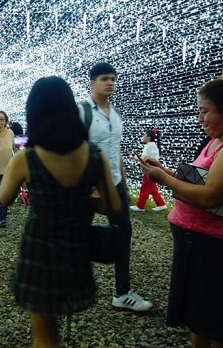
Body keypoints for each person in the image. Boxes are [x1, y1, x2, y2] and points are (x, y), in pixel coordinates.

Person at [138, 76, 223, 348]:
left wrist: (164, 179)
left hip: (217, 247)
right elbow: (200, 180)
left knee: (219, 328)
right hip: (197, 242)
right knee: (200, 320)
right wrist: (167, 171)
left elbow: (209, 196)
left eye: (204, 111)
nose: (200, 118)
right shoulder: (218, 140)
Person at [0, 76, 121, 348]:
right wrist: (79, 201)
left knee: (44, 335)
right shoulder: (94, 155)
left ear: (35, 113)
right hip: (76, 246)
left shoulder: (26, 157)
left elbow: (5, 198)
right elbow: (112, 206)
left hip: (39, 249)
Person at [78, 63, 153, 312]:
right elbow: (73, 150)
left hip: (115, 185)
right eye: (104, 79)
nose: (110, 83)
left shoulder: (116, 113)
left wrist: (121, 183)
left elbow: (116, 150)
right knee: (77, 234)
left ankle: (122, 291)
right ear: (92, 82)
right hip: (87, 187)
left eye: (112, 79)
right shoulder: (82, 112)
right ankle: (74, 284)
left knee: (123, 234)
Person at [129, 129, 167, 212]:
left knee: (145, 187)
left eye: (144, 135)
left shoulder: (150, 146)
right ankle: (161, 204)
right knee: (152, 188)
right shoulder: (151, 145)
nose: (142, 137)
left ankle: (140, 206)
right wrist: (136, 158)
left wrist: (136, 158)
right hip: (151, 169)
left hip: (149, 169)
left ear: (148, 137)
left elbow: (145, 158)